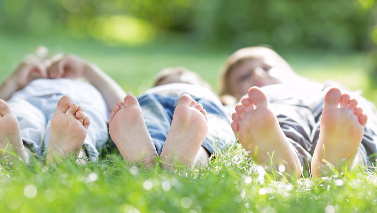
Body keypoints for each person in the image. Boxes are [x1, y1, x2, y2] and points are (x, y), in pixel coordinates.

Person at [220, 46, 377, 179]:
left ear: (289, 72)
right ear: (232, 95)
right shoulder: (259, 102)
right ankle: (283, 160)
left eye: (268, 68)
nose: (258, 74)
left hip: (328, 100)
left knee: (354, 116)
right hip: (278, 102)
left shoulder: (321, 86)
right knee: (281, 118)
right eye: (244, 77)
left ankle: (347, 158)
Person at [0, 51, 126, 164]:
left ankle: (73, 153)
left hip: (78, 102)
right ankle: (18, 153)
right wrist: (14, 80)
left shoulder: (85, 86)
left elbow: (125, 107)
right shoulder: (25, 86)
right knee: (18, 115)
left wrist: (86, 69)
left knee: (81, 119)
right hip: (29, 101)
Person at [108, 67, 236, 169]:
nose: (182, 78)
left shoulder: (220, 101)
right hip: (156, 99)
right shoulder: (152, 94)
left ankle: (145, 160)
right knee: (211, 130)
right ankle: (184, 162)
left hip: (199, 101)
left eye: (189, 79)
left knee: (211, 128)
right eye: (171, 78)